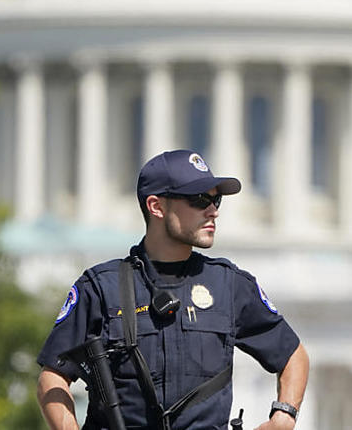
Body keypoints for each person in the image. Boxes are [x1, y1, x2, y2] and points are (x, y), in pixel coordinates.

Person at [36, 149, 309, 430]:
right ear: (156, 206)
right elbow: (53, 376)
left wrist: (283, 417)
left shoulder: (229, 284)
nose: (213, 210)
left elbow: (291, 354)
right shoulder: (101, 287)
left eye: (216, 199)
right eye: (199, 199)